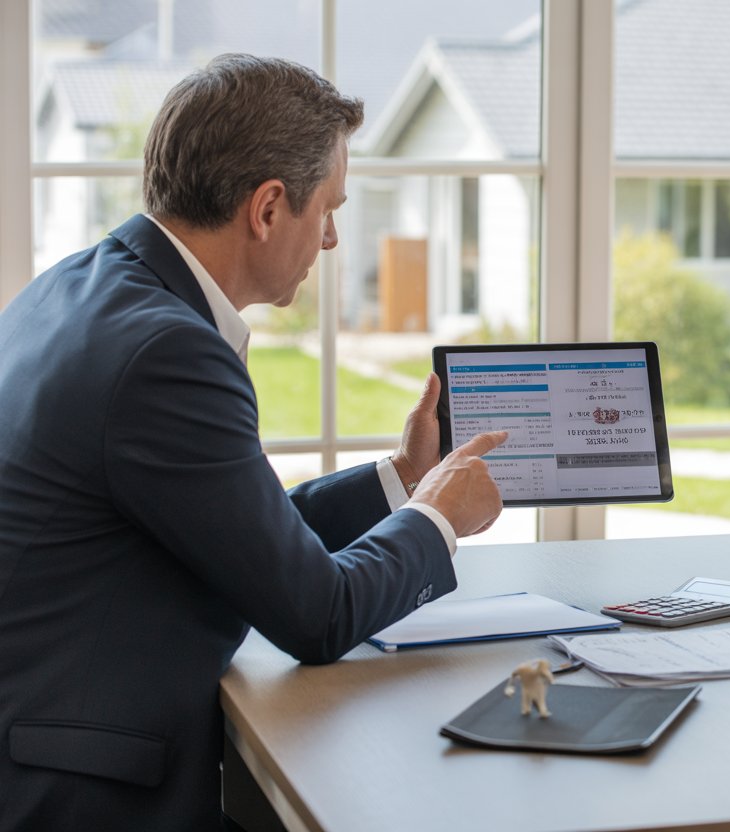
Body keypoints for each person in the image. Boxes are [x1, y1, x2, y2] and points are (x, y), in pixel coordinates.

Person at [0, 54, 507, 830]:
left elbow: (232, 525)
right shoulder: (164, 353)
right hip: (88, 791)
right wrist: (438, 518)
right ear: (269, 208)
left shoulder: (76, 287)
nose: (332, 239)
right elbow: (317, 615)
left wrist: (404, 478)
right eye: (328, 210)